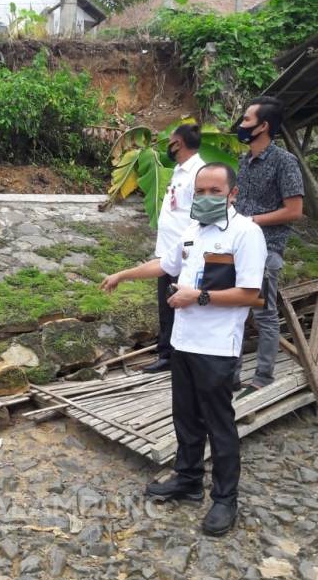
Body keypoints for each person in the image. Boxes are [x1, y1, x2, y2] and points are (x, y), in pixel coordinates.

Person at [101, 163, 267, 536]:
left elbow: (251, 294)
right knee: (186, 420)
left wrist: (200, 296)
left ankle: (225, 499)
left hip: (217, 349)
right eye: (201, 191)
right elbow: (165, 265)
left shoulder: (246, 233)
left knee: (219, 425)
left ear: (232, 194)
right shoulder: (192, 231)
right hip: (184, 343)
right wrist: (123, 275)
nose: (206, 197)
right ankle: (189, 480)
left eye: (215, 191)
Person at [234, 96, 304, 395]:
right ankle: (232, 375)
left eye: (247, 120)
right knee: (235, 309)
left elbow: (294, 211)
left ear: (264, 126)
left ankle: (263, 375)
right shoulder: (244, 160)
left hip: (264, 251)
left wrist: (251, 221)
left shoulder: (284, 162)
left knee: (263, 313)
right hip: (237, 249)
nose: (241, 125)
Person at [144, 123, 206, 374]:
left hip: (185, 254)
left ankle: (182, 356)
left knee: (182, 305)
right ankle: (167, 354)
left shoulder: (199, 172)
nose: (167, 145)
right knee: (166, 303)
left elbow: (199, 216)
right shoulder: (180, 170)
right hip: (167, 252)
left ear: (178, 144)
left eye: (170, 141)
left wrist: (188, 249)